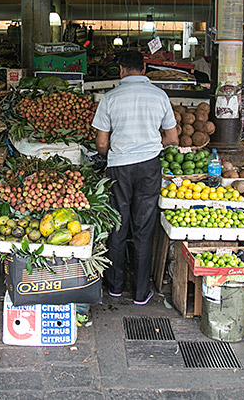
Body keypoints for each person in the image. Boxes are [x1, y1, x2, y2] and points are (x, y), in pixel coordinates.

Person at [92, 51, 179, 305]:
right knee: (144, 227)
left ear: (121, 69)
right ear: (143, 69)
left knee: (118, 224)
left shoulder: (110, 98)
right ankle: (141, 293)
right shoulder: (160, 96)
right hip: (150, 167)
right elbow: (173, 139)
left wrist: (114, 151)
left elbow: (101, 144)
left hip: (119, 167)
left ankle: (115, 287)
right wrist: (152, 144)